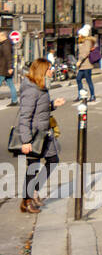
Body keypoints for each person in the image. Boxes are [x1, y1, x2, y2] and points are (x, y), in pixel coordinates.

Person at [13, 59, 65, 213]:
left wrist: (53, 104)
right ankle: (26, 202)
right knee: (33, 168)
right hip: (34, 136)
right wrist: (26, 141)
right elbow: (25, 116)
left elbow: (40, 109)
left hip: (44, 133)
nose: (52, 71)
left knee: (53, 160)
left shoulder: (40, 87)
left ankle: (34, 192)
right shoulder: (31, 90)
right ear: (42, 70)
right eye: (49, 68)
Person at [75, 29, 97, 102]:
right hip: (82, 66)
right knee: (78, 79)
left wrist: (80, 61)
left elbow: (86, 52)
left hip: (87, 65)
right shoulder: (82, 41)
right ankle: (81, 95)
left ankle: (93, 96)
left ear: (83, 34)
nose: (78, 36)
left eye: (79, 34)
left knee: (88, 81)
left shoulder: (87, 41)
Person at [0, 34, 17, 105]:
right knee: (11, 84)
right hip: (6, 68)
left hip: (3, 69)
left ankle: (14, 101)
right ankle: (14, 101)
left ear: (3, 36)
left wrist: (10, 67)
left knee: (10, 84)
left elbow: (8, 57)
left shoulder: (5, 45)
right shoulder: (6, 44)